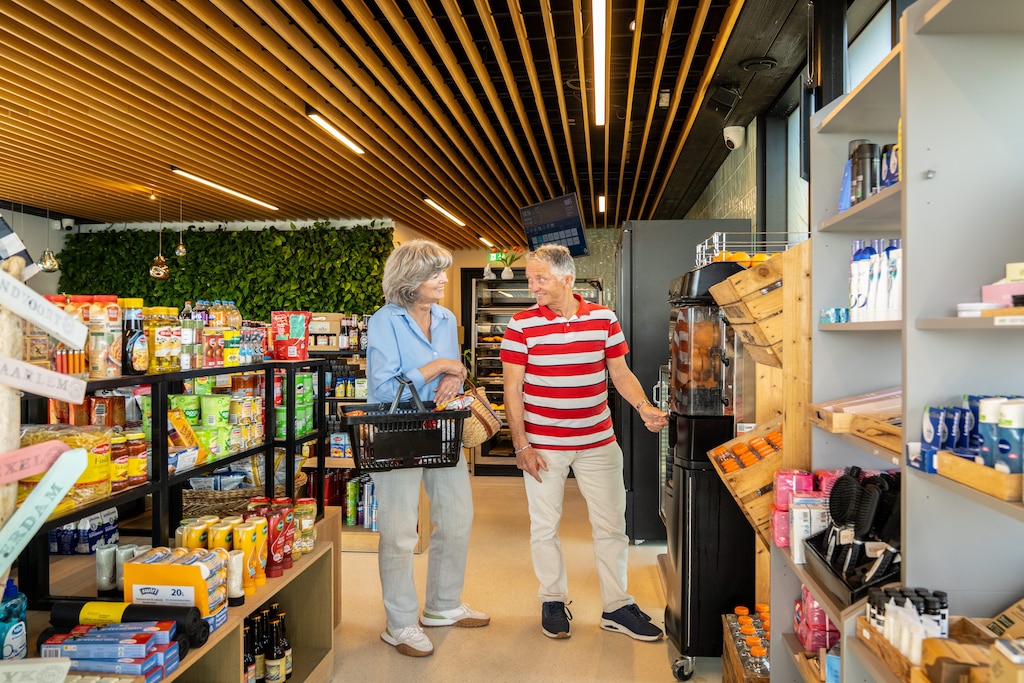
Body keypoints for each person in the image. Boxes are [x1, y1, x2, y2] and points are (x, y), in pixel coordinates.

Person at [500, 244, 669, 642]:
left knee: (612, 526)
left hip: (598, 442)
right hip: (543, 445)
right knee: (544, 527)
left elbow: (620, 373)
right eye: (530, 278)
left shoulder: (603, 319)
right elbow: (512, 389)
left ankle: (617, 606)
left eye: (540, 278)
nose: (532, 286)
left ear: (567, 279)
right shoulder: (521, 325)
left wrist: (644, 406)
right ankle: (552, 600)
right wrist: (521, 445)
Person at [366, 239, 489, 657]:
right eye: (435, 273)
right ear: (409, 279)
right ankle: (399, 623)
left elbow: (453, 372)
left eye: (443, 271)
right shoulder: (385, 321)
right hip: (396, 431)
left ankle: (442, 606)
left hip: (442, 429)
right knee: (400, 531)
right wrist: (440, 366)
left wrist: (455, 374)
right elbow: (385, 388)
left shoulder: (446, 317)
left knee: (457, 517)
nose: (444, 279)